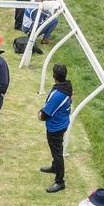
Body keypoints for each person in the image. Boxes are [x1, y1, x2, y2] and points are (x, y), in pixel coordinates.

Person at [40, 63, 73, 193]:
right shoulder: (67, 85)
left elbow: (45, 114)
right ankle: (54, 167)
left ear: (54, 76)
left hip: (55, 127)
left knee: (57, 153)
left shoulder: (58, 94)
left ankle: (60, 182)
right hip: (62, 123)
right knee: (56, 151)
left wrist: (40, 115)